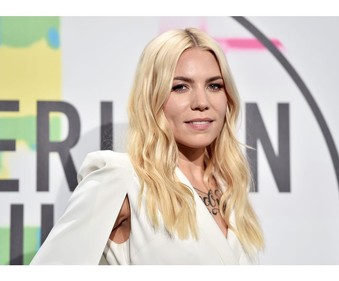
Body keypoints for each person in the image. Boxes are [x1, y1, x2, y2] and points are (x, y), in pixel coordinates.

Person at [30, 27, 264, 265]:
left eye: (214, 85)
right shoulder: (123, 179)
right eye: (180, 87)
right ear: (152, 97)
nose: (201, 102)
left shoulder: (229, 189)